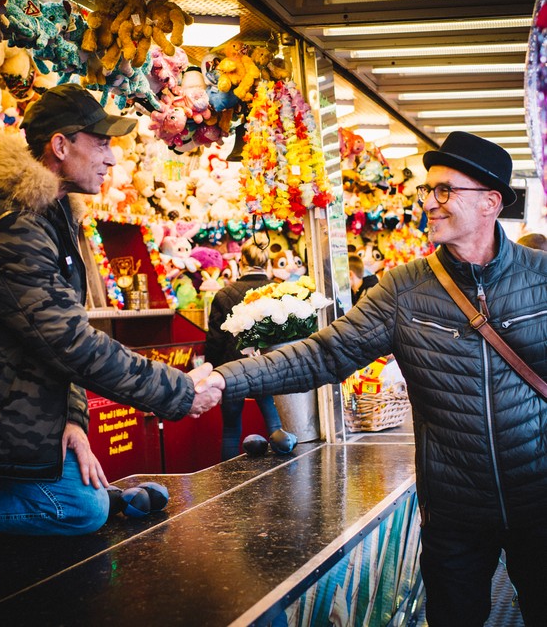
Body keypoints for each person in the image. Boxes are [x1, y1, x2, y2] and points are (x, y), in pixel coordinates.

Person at [202, 131, 547, 627]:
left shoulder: (540, 279)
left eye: (444, 190)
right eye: (427, 191)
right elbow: (325, 353)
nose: (429, 202)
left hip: (539, 501)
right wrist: (224, 379)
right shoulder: (404, 289)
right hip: (454, 511)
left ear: (491, 202)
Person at [0, 84, 220, 538]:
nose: (112, 158)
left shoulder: (49, 214)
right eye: (101, 143)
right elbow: (69, 341)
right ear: (60, 146)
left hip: (6, 423)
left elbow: (58, 333)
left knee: (84, 506)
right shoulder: (7, 221)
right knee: (80, 509)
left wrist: (72, 419)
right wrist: (178, 392)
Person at [204, 234, 285, 460]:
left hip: (232, 369)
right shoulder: (276, 291)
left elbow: (215, 338)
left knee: (231, 429)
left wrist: (212, 370)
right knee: (275, 423)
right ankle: (287, 470)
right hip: (266, 366)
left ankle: (229, 479)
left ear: (241, 262)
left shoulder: (224, 294)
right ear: (267, 262)